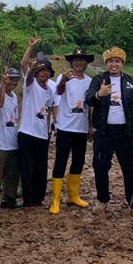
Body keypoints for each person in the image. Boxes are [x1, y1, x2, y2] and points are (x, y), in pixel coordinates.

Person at [85, 46, 133, 217]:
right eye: (111, 61)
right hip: (104, 132)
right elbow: (88, 99)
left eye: (117, 61)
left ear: (122, 64)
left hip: (125, 132)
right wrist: (99, 94)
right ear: (106, 63)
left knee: (129, 168)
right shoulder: (98, 79)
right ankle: (102, 200)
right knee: (100, 166)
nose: (114, 64)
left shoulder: (130, 82)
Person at [49, 47, 94, 214]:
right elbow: (59, 92)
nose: (78, 63)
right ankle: (55, 200)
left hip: (81, 128)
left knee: (78, 161)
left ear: (86, 63)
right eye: (75, 60)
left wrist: (90, 126)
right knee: (60, 161)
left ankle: (73, 195)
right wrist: (63, 81)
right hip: (65, 127)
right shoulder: (64, 77)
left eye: (82, 60)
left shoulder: (89, 81)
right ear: (71, 62)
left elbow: (90, 105)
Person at [18, 36, 56, 207]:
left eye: (47, 71)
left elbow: (49, 112)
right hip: (26, 132)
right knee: (27, 168)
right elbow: (23, 64)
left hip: (42, 133)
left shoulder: (49, 90)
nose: (44, 73)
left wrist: (52, 127)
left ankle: (38, 198)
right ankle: (28, 199)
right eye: (41, 70)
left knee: (41, 168)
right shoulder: (30, 85)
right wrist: (31, 47)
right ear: (37, 73)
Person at [0, 68, 23, 213]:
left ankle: (9, 199)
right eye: (10, 79)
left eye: (15, 80)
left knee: (13, 174)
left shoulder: (14, 96)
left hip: (12, 138)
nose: (12, 83)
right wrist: (3, 84)